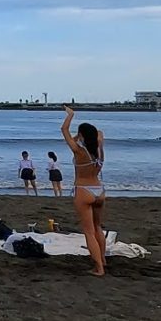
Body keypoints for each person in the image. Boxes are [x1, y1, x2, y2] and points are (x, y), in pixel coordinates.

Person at [62, 106, 107, 276]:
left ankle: (99, 268)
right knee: (97, 226)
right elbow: (99, 134)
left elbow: (64, 130)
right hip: (99, 190)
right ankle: (103, 259)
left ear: (82, 135)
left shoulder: (79, 151)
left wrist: (70, 115)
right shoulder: (99, 149)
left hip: (84, 190)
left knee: (89, 231)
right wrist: (84, 135)